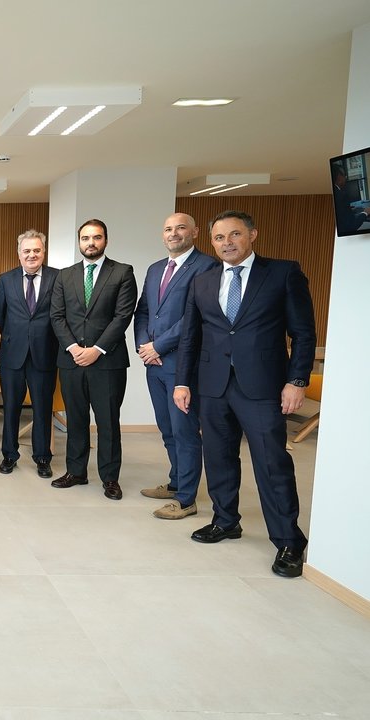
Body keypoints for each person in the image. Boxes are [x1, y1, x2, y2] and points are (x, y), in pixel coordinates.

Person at [174, 210, 315, 578]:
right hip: (213, 385)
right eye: (220, 238)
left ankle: (288, 541)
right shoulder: (202, 281)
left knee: (272, 463)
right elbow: (192, 336)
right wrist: (183, 382)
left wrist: (297, 381)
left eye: (235, 235)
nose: (227, 243)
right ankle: (226, 521)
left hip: (264, 387)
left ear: (252, 234)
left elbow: (303, 332)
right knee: (218, 457)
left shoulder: (283, 273)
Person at [133, 213, 218, 520]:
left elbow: (195, 317)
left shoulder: (207, 266)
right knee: (167, 427)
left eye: (181, 228)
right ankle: (176, 482)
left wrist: (160, 345)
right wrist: (144, 346)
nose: (174, 233)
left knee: (184, 431)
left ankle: (186, 499)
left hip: (182, 363)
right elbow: (143, 311)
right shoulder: (156, 269)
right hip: (153, 363)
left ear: (194, 232)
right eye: (168, 228)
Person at [49, 219, 137, 500]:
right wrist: (74, 348)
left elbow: (122, 316)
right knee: (75, 419)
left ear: (106, 241)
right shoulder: (64, 276)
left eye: (96, 237)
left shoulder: (122, 272)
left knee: (108, 421)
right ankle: (76, 471)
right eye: (85, 238)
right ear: (79, 242)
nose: (91, 243)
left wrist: (96, 349)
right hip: (72, 360)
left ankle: (110, 478)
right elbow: (57, 316)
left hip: (107, 362)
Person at [0, 229, 58, 477]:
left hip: (45, 354)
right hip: (13, 354)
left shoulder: (57, 278)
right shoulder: (5, 279)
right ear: (19, 253)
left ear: (44, 252)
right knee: (11, 407)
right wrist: (15, 337)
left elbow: (59, 315)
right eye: (27, 251)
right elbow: (2, 316)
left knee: (42, 407)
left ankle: (43, 457)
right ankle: (9, 455)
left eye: (36, 250)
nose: (32, 255)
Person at [332, 163, 369, 235]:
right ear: (339, 176)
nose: (345, 178)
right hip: (347, 230)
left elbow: (341, 213)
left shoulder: (335, 192)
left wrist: (348, 210)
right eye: (344, 175)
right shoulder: (341, 195)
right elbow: (351, 225)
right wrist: (365, 213)